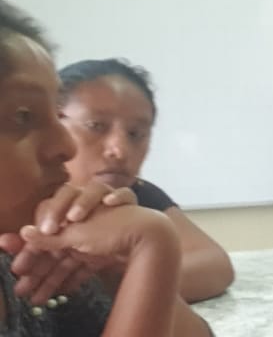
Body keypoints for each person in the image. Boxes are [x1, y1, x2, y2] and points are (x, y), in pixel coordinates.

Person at [0, 0, 224, 337]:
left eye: (54, 114)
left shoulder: (43, 241)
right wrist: (151, 249)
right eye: (23, 116)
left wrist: (120, 272)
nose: (65, 147)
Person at [58, 58, 236, 302]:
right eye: (95, 126)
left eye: (135, 134)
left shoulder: (138, 194)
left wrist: (120, 281)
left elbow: (215, 266)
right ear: (52, 125)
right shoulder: (22, 200)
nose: (120, 150)